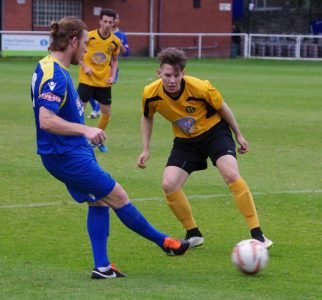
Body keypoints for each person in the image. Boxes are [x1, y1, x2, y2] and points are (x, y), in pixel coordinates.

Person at [30, 18, 189, 280]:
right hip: (66, 156)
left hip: (69, 152)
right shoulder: (55, 75)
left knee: (99, 201)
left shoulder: (47, 66)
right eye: (83, 43)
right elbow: (46, 120)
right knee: (118, 196)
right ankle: (166, 243)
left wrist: (82, 133)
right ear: (72, 42)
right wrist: (86, 129)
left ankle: (102, 267)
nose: (85, 50)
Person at [137, 47, 273, 249]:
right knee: (169, 184)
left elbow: (222, 107)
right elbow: (147, 116)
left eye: (176, 75)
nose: (172, 80)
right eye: (167, 75)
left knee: (231, 173)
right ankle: (193, 234)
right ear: (159, 74)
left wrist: (238, 134)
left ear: (184, 73)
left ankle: (258, 234)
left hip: (214, 134)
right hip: (186, 142)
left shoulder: (201, 87)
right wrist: (146, 148)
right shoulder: (150, 94)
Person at [77, 9, 120, 152]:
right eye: (105, 21)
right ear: (100, 21)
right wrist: (85, 66)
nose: (108, 24)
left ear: (114, 23)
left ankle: (96, 139)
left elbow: (114, 61)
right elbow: (78, 54)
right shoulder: (89, 37)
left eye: (110, 22)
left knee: (106, 113)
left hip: (103, 82)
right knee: (78, 109)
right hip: (87, 80)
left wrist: (113, 75)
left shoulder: (115, 41)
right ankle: (78, 137)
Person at [87, 11, 130, 120]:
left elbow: (126, 54)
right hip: (95, 67)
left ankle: (96, 110)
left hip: (110, 69)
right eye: (106, 21)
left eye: (115, 19)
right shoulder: (96, 34)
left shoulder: (121, 35)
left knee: (100, 90)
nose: (113, 21)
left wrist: (120, 45)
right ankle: (95, 109)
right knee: (89, 90)